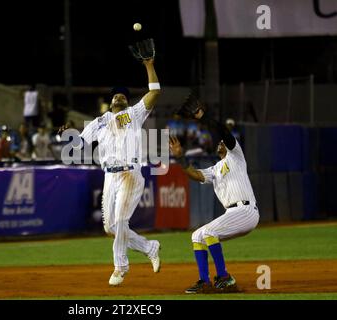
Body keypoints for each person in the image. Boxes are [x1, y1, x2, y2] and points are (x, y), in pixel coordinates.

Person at [59, 58, 161, 286]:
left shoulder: (134, 114)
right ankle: (148, 247)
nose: (119, 96)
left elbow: (154, 93)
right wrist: (69, 133)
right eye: (116, 94)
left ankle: (120, 267)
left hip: (130, 173)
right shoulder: (99, 122)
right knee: (110, 227)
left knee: (122, 220)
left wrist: (148, 65)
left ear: (127, 100)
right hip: (109, 176)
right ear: (110, 100)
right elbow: (79, 144)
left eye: (123, 94)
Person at [171, 94, 259, 294]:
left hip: (246, 211)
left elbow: (223, 132)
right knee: (197, 235)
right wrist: (180, 157)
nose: (221, 142)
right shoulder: (215, 169)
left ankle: (224, 278)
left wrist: (203, 117)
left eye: (223, 141)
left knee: (209, 232)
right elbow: (193, 174)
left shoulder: (237, 156)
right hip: (232, 214)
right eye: (219, 141)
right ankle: (205, 281)